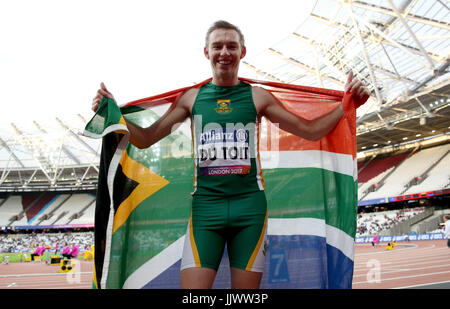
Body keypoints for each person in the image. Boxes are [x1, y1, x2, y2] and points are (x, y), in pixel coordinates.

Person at [92, 20, 369, 289]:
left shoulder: (257, 97)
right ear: (207, 53)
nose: (224, 53)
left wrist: (345, 107)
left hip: (250, 210)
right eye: (218, 46)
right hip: (205, 212)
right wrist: (112, 113)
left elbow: (309, 131)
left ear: (242, 52)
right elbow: (145, 138)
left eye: (231, 46)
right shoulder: (191, 99)